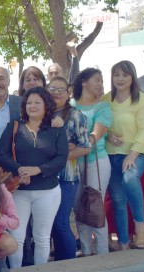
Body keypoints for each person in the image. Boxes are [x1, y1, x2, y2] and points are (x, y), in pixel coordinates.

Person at [0, 87, 68, 268]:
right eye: (29, 102)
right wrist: (20, 169)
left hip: (48, 191)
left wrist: (38, 169)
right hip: (19, 191)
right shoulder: (14, 126)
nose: (32, 106)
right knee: (17, 237)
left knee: (42, 237)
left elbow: (61, 158)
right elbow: (1, 155)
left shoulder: (56, 129)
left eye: (37, 102)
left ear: (46, 105)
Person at [101, 61, 144, 250]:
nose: (120, 79)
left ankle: (141, 227)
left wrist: (132, 155)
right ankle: (123, 243)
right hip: (111, 155)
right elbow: (98, 125)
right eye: (116, 75)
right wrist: (107, 135)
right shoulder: (106, 99)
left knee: (130, 178)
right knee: (117, 200)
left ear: (132, 77)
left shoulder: (142, 99)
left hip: (136, 152)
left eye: (125, 75)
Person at [47, 77, 91, 261]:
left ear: (68, 93)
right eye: (52, 89)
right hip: (45, 178)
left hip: (66, 177)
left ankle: (67, 263)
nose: (56, 93)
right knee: (49, 224)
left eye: (61, 90)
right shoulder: (43, 113)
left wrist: (60, 156)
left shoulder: (75, 115)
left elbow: (85, 147)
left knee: (61, 222)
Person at [71, 68, 113, 256]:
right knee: (79, 207)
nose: (100, 84)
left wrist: (72, 146)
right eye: (97, 79)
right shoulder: (70, 106)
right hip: (71, 165)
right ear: (84, 82)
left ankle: (102, 253)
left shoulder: (103, 107)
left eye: (102, 81)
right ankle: (87, 252)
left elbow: (96, 135)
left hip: (96, 162)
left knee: (95, 206)